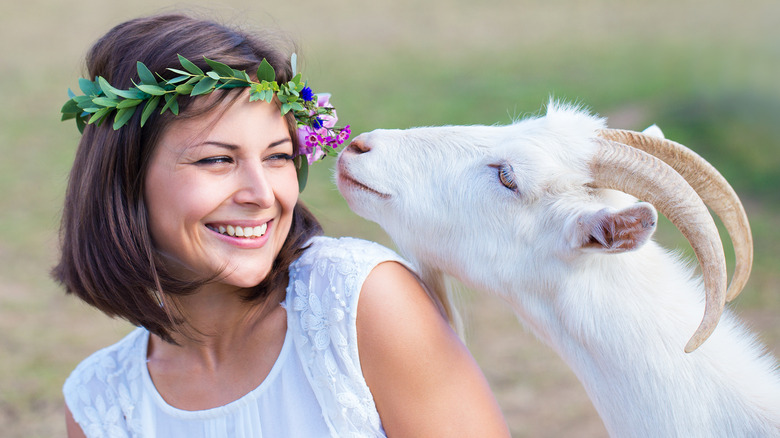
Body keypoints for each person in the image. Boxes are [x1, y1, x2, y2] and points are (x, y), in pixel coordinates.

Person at [54, 12, 510, 437]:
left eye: (277, 157)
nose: (262, 193)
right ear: (126, 178)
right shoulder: (102, 404)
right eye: (217, 159)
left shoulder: (358, 304)